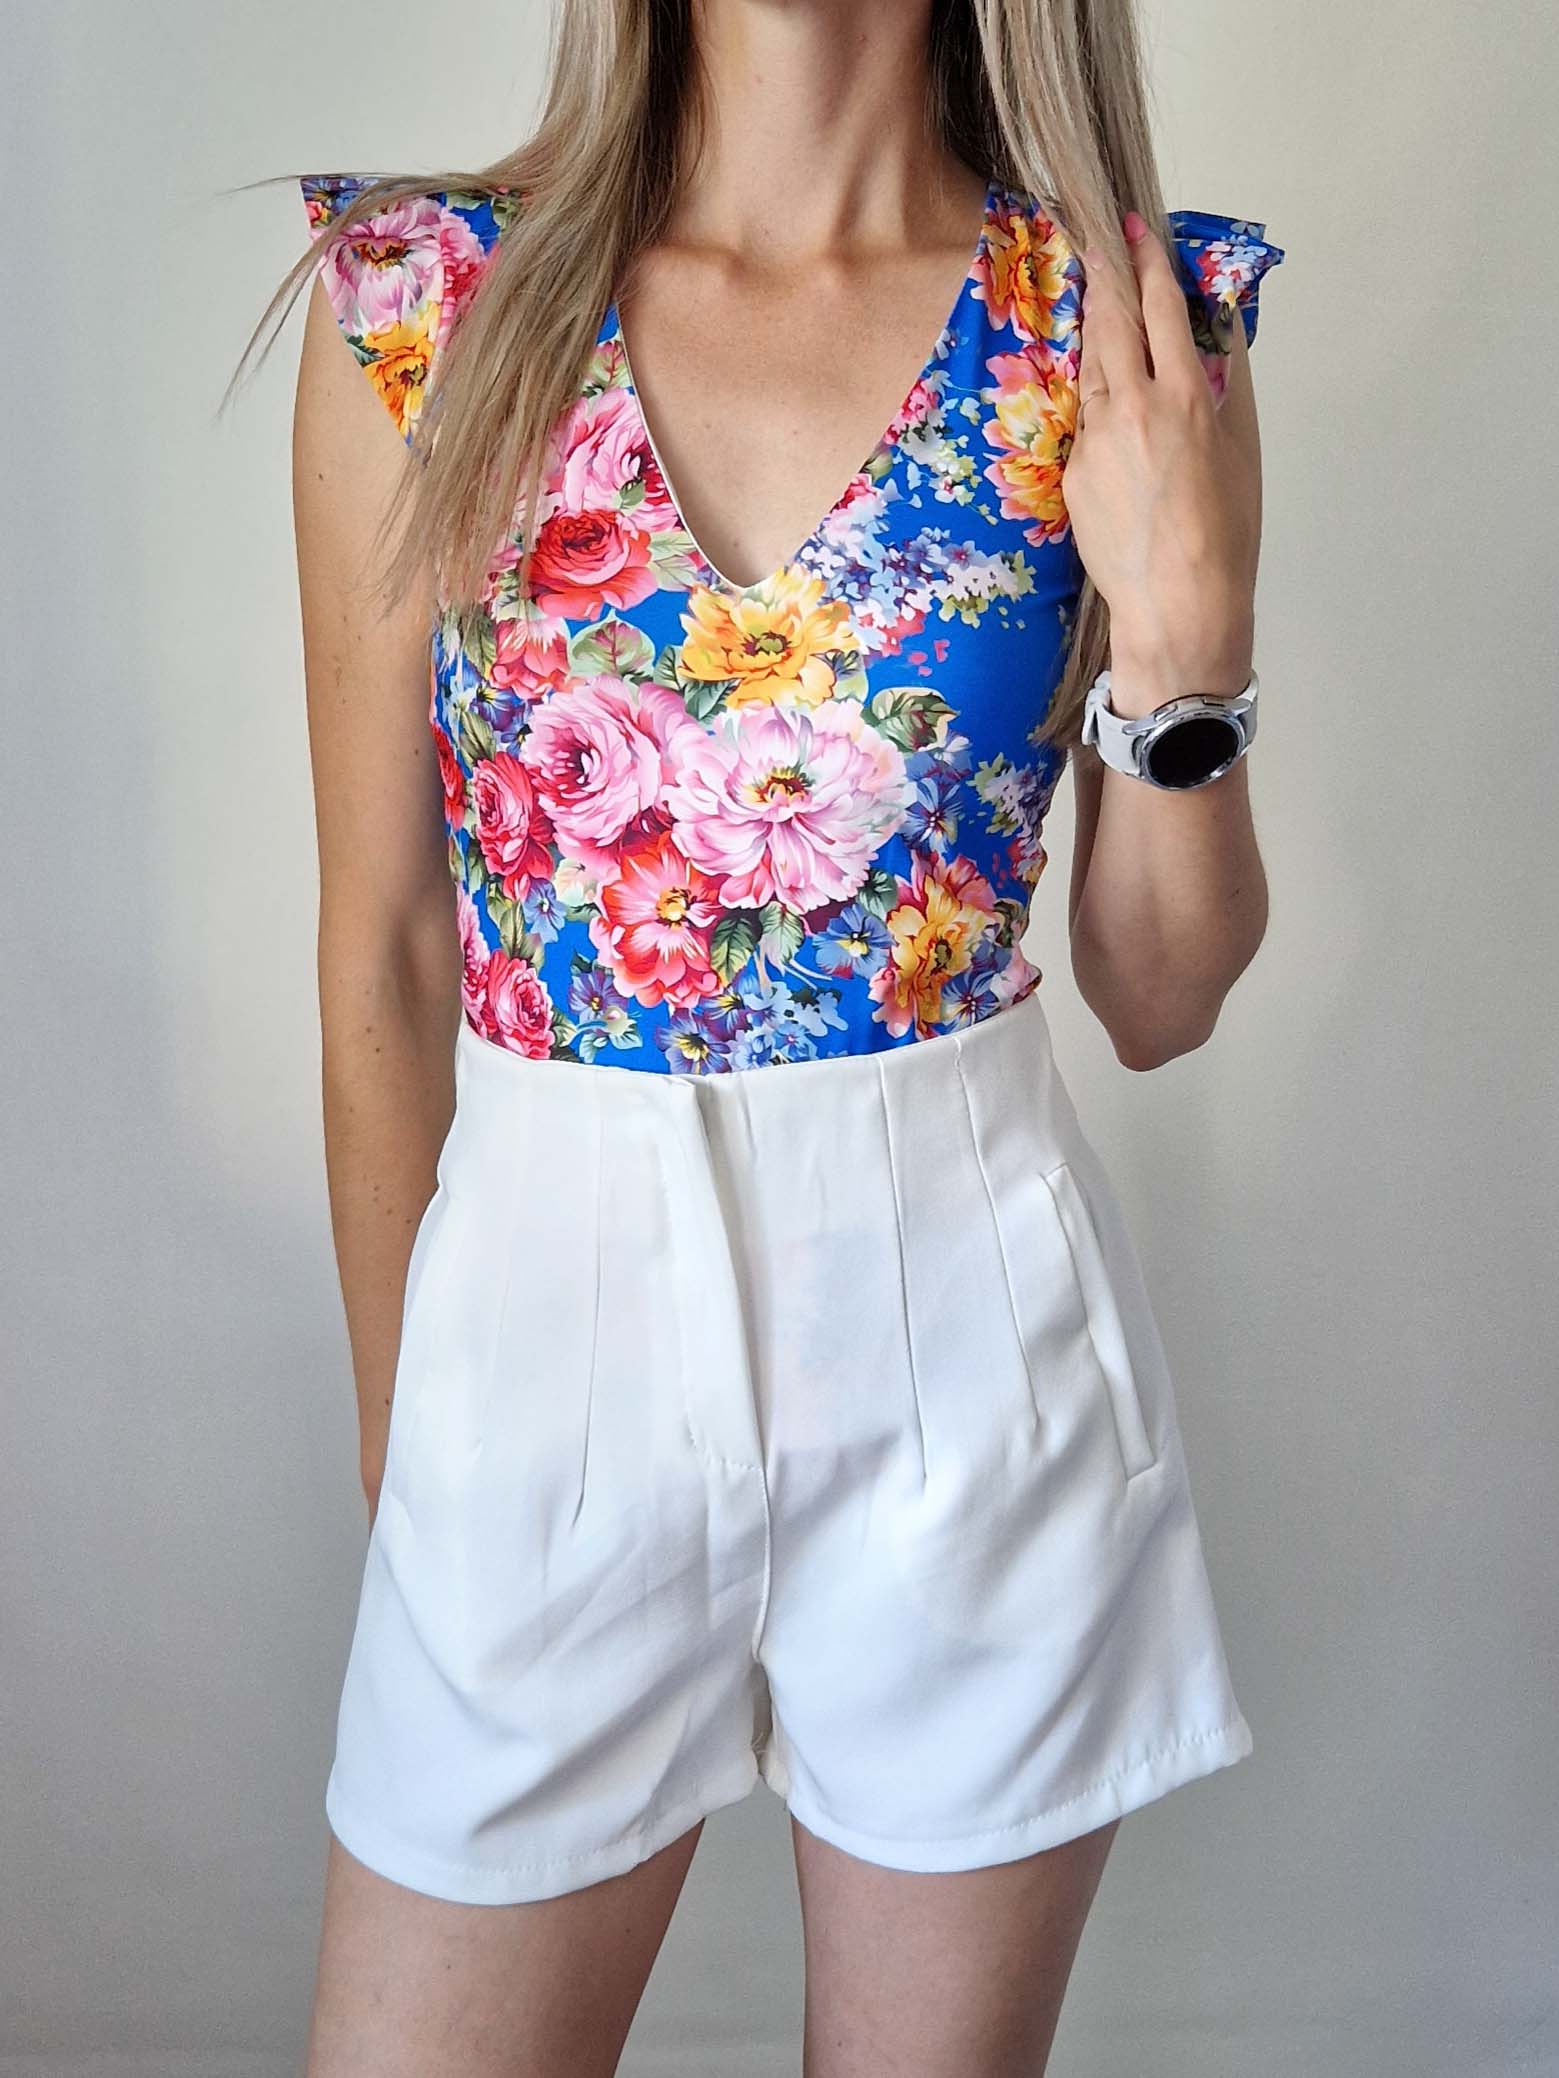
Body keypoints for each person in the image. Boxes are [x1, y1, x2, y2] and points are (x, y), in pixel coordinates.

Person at [249, 2, 1284, 2069]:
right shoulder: (425, 308)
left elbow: (1161, 996)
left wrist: (1186, 642)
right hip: (541, 1337)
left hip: (967, 1346)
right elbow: (385, 950)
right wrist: (410, 1436)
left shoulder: (1123, 332)